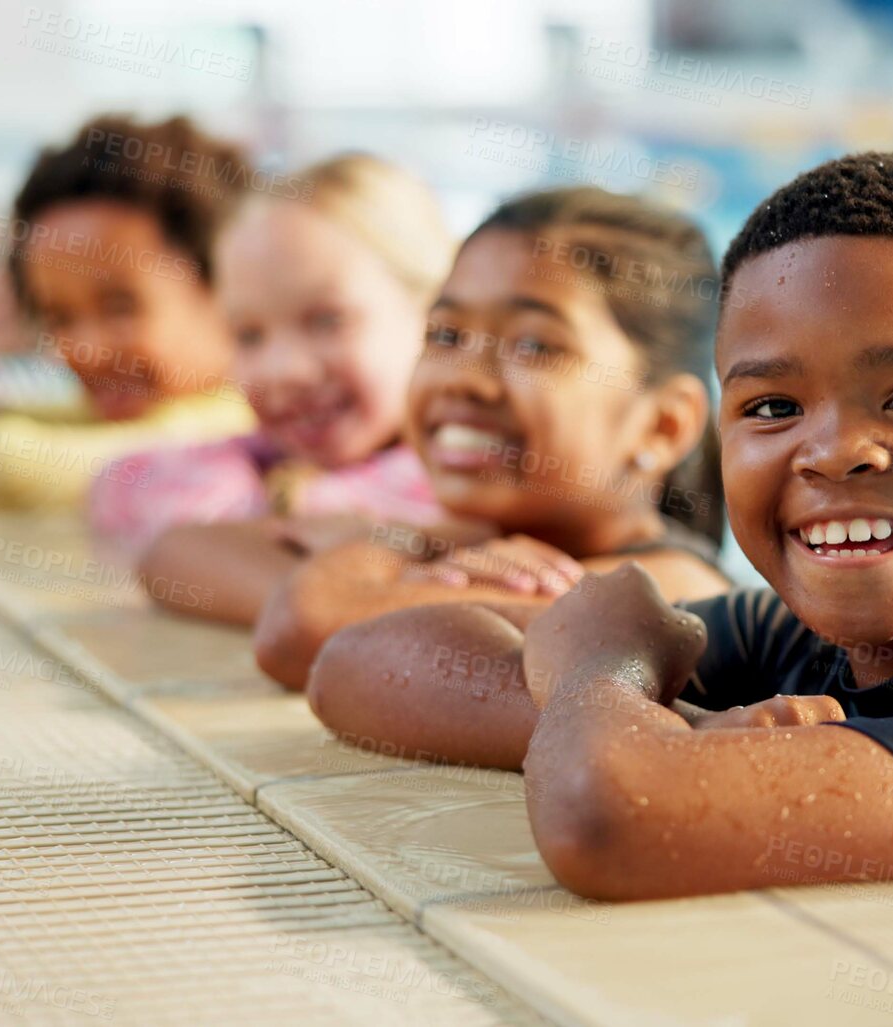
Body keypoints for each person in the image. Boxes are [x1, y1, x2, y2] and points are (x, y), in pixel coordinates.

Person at [305, 151, 893, 900]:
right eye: (772, 405)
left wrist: (603, 678)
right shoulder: (788, 642)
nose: (832, 453)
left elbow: (613, 820)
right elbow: (355, 665)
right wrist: (683, 727)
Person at [251, 186, 734, 691]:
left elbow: (302, 625)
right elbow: (179, 548)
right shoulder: (482, 550)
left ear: (663, 426)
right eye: (445, 335)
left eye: (533, 345)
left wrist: (393, 548)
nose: (464, 378)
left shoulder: (666, 593)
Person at [97, 155, 454, 620]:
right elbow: (116, 483)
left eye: (327, 320)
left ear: (435, 317)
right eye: (248, 335)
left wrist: (279, 508)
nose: (284, 368)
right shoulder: (268, 460)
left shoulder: (461, 476)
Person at [0, 115, 256, 511]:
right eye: (59, 318)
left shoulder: (241, 430)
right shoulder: (149, 412)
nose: (85, 349)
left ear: (228, 286)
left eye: (120, 308)